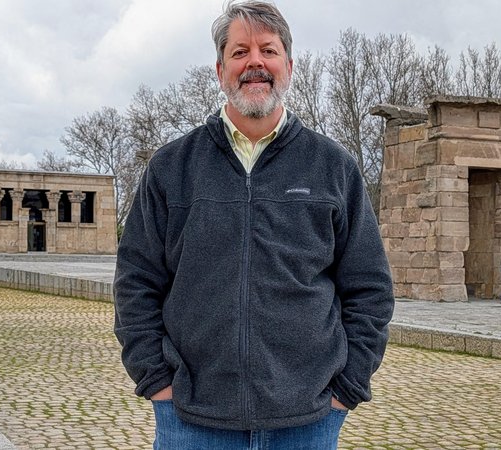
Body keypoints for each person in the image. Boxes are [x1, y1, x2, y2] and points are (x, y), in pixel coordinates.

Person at [113, 1, 395, 448]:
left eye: (268, 50)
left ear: (289, 66)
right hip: (192, 418)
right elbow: (136, 281)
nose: (255, 63)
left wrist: (348, 386)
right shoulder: (172, 168)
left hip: (308, 419)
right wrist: (156, 380)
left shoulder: (333, 167)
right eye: (240, 52)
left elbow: (370, 288)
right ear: (220, 69)